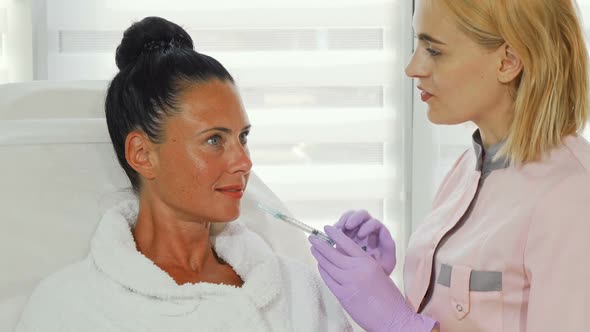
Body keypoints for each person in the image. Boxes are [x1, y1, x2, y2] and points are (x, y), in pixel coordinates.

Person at [16, 16, 351, 332]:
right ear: (143, 154)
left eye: (243, 137)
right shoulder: (68, 309)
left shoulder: (299, 292)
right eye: (214, 140)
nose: (243, 162)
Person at [309, 0, 590, 331]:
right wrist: (385, 291)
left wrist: (398, 323)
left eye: (434, 50)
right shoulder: (467, 169)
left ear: (508, 61)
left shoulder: (572, 197)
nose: (413, 68)